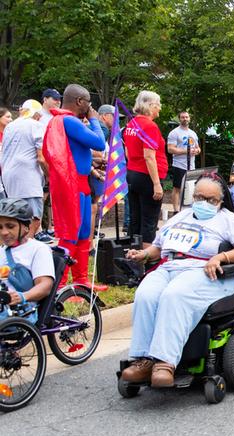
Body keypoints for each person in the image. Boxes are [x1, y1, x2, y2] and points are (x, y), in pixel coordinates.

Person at [120, 173, 234, 387]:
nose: (204, 203)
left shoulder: (228, 219)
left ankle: (165, 362)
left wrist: (221, 257)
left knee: (174, 295)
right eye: (200, 198)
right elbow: (158, 248)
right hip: (170, 266)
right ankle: (144, 360)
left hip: (208, 273)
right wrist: (143, 255)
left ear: (220, 202)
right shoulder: (180, 217)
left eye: (211, 200)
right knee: (146, 294)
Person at [42, 84, 108, 290]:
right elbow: (98, 142)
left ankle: (80, 279)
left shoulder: (64, 121)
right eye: (88, 102)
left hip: (79, 182)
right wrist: (95, 119)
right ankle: (60, 283)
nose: (90, 107)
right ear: (80, 102)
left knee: (82, 232)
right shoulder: (68, 120)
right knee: (71, 233)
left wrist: (92, 164)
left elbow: (76, 151)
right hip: (72, 185)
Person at [0, 198, 55, 324]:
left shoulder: (38, 249)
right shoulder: (2, 250)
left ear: (26, 226)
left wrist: (22, 297)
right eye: (0, 227)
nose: (4, 232)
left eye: (10, 226)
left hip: (21, 312)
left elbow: (45, 285)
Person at [124, 90, 167, 248]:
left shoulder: (131, 124)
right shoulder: (150, 126)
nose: (160, 108)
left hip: (133, 173)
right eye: (158, 105)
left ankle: (132, 252)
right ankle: (147, 261)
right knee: (149, 220)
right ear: (150, 106)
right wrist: (156, 183)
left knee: (135, 218)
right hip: (147, 176)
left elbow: (128, 151)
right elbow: (149, 156)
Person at [1, 101, 46, 239]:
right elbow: (41, 158)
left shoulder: (10, 127)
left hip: (8, 177)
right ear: (37, 114)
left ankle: (13, 248)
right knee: (34, 219)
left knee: (15, 217)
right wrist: (50, 176)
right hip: (28, 177)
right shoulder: (36, 125)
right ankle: (26, 247)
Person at [98, 104, 130, 233]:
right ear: (105, 116)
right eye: (114, 117)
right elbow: (96, 151)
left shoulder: (110, 132)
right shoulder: (102, 130)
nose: (117, 121)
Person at [166, 111, 201, 214]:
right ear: (179, 119)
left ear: (189, 118)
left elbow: (198, 148)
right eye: (182, 117)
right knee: (177, 188)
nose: (185, 119)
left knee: (191, 188)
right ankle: (176, 210)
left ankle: (189, 209)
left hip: (191, 165)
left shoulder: (193, 133)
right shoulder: (174, 133)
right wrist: (187, 151)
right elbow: (170, 149)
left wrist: (197, 151)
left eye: (186, 117)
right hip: (179, 165)